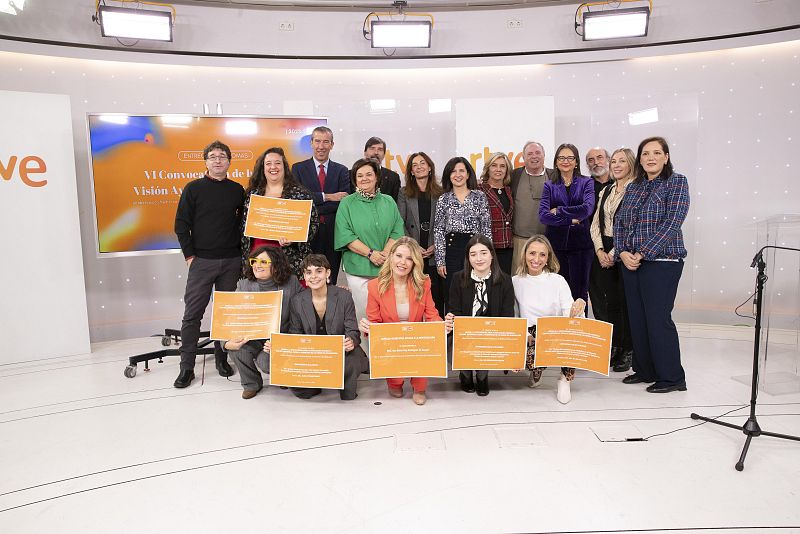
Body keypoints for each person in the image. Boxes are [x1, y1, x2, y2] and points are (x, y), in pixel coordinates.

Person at [614, 137, 690, 393]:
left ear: (666, 157)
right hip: (631, 263)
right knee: (637, 319)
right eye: (645, 153)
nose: (650, 158)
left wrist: (644, 252)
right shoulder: (634, 187)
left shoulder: (676, 182)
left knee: (658, 319)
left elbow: (672, 222)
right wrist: (623, 252)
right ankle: (644, 370)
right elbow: (620, 223)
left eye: (657, 153)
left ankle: (672, 377)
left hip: (662, 261)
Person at [173, 140, 245, 389]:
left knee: (224, 316)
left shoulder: (237, 190)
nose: (218, 160)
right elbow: (181, 225)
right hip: (202, 261)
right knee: (192, 315)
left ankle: (221, 358)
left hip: (230, 261)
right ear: (206, 161)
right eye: (213, 156)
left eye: (222, 156)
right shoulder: (193, 189)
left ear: (229, 161)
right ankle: (187, 368)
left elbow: (243, 225)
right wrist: (190, 256)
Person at [360, 237, 449, 405]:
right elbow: (374, 321)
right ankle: (395, 381)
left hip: (415, 340)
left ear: (415, 262)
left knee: (425, 341)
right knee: (396, 391)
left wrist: (440, 325)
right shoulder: (374, 286)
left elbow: (431, 314)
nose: (403, 262)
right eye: (399, 256)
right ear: (391, 256)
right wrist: (367, 327)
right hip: (392, 342)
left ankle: (419, 386)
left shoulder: (423, 284)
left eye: (409, 258)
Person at [513, 235, 586, 404]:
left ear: (548, 258)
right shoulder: (515, 282)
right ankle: (536, 369)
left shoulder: (557, 280)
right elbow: (514, 315)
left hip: (555, 331)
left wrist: (578, 306)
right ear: (524, 255)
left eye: (542, 255)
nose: (536, 259)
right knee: (530, 360)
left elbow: (568, 310)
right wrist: (524, 335)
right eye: (532, 253)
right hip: (531, 333)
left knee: (572, 332)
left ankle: (565, 379)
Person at [224, 246, 304, 399]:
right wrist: (226, 342)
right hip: (253, 339)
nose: (257, 265)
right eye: (254, 261)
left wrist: (332, 291)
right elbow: (229, 317)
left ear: (276, 265)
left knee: (266, 364)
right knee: (237, 349)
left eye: (263, 261)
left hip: (281, 337)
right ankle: (251, 384)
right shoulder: (244, 285)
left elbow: (306, 302)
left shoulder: (291, 282)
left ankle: (281, 373)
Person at [288, 254, 369, 401]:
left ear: (328, 273)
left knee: (351, 362)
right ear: (304, 277)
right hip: (313, 352)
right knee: (302, 392)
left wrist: (351, 340)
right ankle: (318, 381)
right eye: (308, 272)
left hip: (341, 351)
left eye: (319, 271)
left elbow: (352, 329)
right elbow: (295, 333)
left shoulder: (344, 296)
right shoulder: (297, 301)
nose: (314, 276)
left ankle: (346, 387)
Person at [334, 158, 405, 323]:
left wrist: (386, 253)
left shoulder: (388, 201)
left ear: (376, 177)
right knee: (364, 316)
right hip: (359, 271)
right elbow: (345, 235)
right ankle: (365, 350)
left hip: (387, 269)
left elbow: (397, 229)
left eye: (368, 174)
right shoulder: (347, 203)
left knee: (389, 315)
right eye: (359, 175)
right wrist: (371, 254)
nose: (364, 179)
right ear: (354, 179)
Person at [444, 234, 515, 396]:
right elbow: (455, 311)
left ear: (491, 254)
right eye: (473, 254)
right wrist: (453, 320)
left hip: (491, 334)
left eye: (483, 253)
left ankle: (482, 376)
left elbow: (507, 316)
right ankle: (465, 373)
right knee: (454, 339)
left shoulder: (505, 281)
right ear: (468, 258)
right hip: (465, 332)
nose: (479, 258)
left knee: (485, 342)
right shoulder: (458, 278)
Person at [240, 147, 319, 279]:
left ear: (284, 167)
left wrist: (294, 239)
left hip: (289, 259)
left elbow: (313, 224)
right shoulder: (253, 194)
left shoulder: (300, 194)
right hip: (258, 258)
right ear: (262, 168)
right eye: (268, 163)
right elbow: (244, 229)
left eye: (277, 163)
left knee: (289, 297)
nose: (273, 167)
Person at [589, 148, 636, 372]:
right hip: (604, 250)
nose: (616, 165)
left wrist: (615, 252)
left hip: (624, 249)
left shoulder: (636, 190)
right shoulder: (605, 191)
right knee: (611, 304)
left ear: (631, 165)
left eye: (622, 161)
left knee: (627, 304)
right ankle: (615, 346)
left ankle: (629, 349)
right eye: (614, 161)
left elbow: (632, 226)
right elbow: (596, 223)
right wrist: (599, 250)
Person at [291, 126, 350, 285]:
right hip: (308, 235)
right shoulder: (298, 169)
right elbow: (299, 199)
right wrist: (329, 197)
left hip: (334, 234)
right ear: (311, 143)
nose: (321, 146)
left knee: (330, 280)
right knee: (308, 280)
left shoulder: (342, 171)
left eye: (326, 142)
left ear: (332, 144)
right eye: (317, 141)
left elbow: (344, 203)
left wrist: (313, 203)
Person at [538, 143, 595, 303]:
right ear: (556, 162)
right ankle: (559, 328)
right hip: (556, 246)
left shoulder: (586, 182)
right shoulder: (549, 185)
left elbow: (587, 209)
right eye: (561, 158)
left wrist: (559, 210)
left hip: (581, 246)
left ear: (576, 162)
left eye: (570, 158)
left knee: (580, 294)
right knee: (558, 293)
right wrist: (570, 219)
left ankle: (578, 328)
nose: (566, 161)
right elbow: (543, 216)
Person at [433, 157, 491, 309]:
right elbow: (438, 231)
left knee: (475, 292)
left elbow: (486, 228)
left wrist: (487, 256)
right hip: (451, 250)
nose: (457, 175)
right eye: (453, 171)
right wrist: (440, 261)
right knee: (452, 294)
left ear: (467, 174)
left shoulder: (480, 197)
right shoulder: (443, 199)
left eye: (461, 171)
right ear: (448, 175)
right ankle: (452, 331)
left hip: (475, 250)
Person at [396, 151, 445, 317]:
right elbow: (400, 222)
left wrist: (436, 245)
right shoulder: (403, 193)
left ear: (430, 167)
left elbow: (445, 223)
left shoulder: (441, 192)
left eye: (423, 163)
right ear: (410, 171)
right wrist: (413, 245)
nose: (419, 167)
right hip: (413, 253)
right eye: (414, 165)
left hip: (435, 253)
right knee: (413, 301)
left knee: (436, 299)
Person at [510, 141, 557, 274]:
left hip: (547, 242)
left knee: (546, 281)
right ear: (523, 158)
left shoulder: (554, 176)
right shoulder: (514, 176)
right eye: (529, 154)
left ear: (544, 155)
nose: (534, 156)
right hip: (520, 241)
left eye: (537, 153)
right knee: (519, 281)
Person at [585, 146, 614, 320]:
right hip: (591, 248)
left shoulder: (621, 184)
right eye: (591, 160)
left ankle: (620, 341)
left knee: (617, 295)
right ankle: (603, 339)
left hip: (616, 248)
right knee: (596, 294)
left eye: (600, 157)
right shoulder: (585, 186)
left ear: (608, 159)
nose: (596, 162)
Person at [479, 152, 515, 274]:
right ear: (488, 168)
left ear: (507, 169)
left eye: (502, 166)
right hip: (488, 247)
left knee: (505, 285)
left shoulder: (509, 190)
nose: (498, 169)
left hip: (508, 247)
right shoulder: (479, 190)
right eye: (494, 165)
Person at [364, 136, 401, 201]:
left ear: (384, 154)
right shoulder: (351, 175)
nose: (376, 152)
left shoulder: (393, 177)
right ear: (365, 152)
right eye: (372, 148)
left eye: (380, 149)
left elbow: (395, 206)